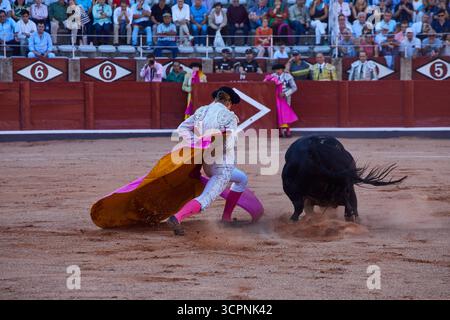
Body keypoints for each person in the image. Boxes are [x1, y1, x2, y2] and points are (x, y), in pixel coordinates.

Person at [166, 87, 252, 235]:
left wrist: (198, 143)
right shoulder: (229, 116)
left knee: (242, 179)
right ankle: (177, 217)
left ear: (215, 98)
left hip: (207, 163)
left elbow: (182, 128)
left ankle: (226, 217)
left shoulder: (201, 111)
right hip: (222, 165)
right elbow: (229, 144)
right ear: (228, 102)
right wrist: (214, 145)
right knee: (206, 198)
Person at [264, 63, 298, 138]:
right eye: (276, 69)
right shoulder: (272, 76)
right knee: (278, 113)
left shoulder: (288, 76)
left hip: (285, 97)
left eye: (279, 69)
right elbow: (265, 84)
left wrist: (285, 93)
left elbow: (294, 88)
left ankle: (288, 130)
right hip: (275, 97)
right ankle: (280, 130)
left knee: (285, 113)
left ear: (282, 69)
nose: (277, 71)